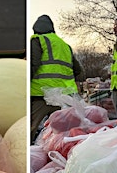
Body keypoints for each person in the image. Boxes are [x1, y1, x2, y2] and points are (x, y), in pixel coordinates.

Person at [30, 14, 82, 142]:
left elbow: (33, 63)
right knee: (63, 131)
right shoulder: (64, 45)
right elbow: (78, 70)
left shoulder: (37, 40)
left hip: (41, 94)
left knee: (31, 128)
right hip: (64, 96)